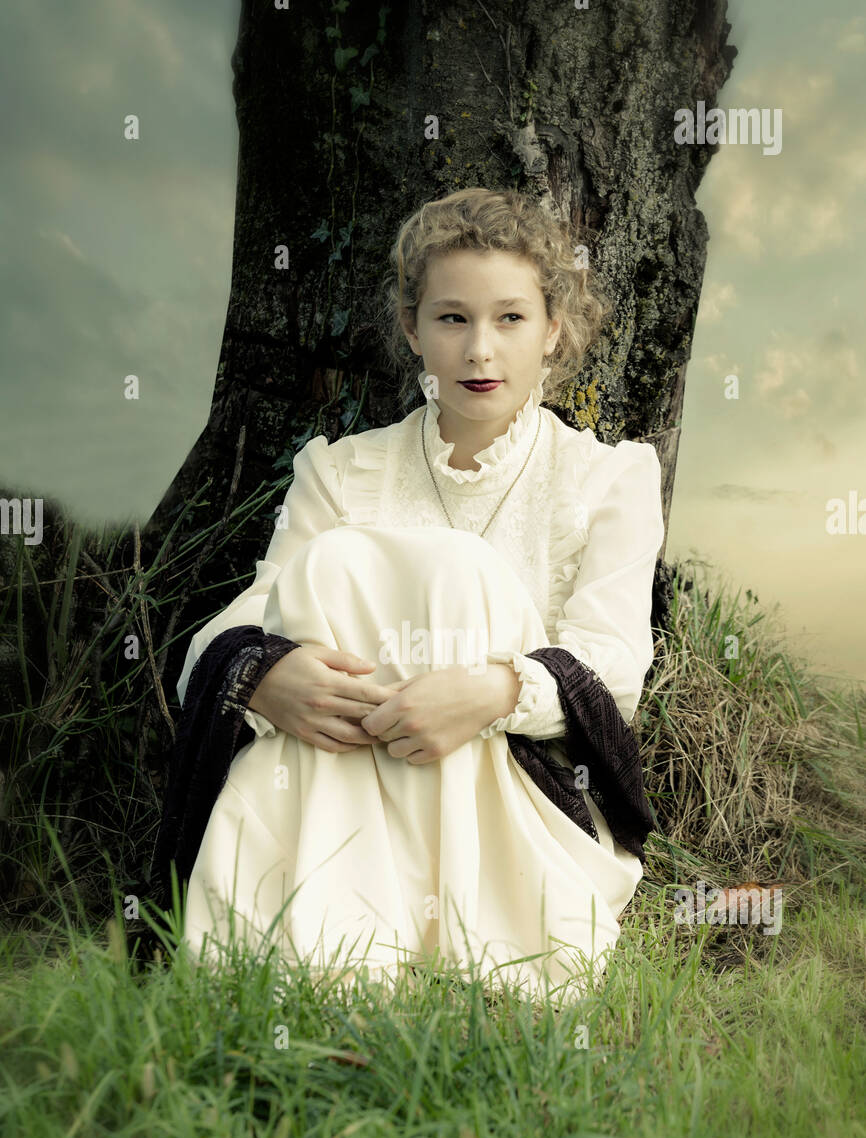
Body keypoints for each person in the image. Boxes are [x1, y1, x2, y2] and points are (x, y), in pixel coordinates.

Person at [154, 187, 665, 1006]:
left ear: (554, 331)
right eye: (452, 319)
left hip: (506, 796)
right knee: (326, 584)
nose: (479, 351)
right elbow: (238, 627)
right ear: (412, 329)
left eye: (510, 319)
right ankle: (333, 955)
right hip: (338, 762)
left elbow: (615, 672)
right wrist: (264, 677)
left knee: (458, 574)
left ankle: (440, 945)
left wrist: (490, 691)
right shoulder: (342, 468)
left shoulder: (608, 479)